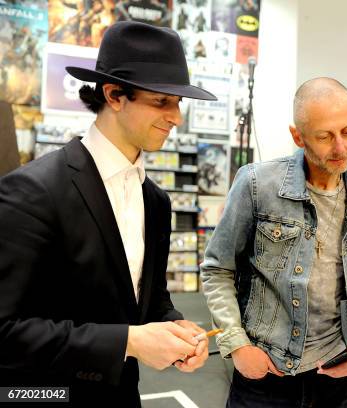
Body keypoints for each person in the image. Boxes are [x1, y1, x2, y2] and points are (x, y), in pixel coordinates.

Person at [0, 21, 217, 406]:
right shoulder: (34, 191)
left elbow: (148, 300)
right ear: (115, 95)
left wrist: (174, 328)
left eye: (178, 103)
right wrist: (130, 341)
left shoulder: (156, 201)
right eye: (162, 101)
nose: (176, 117)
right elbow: (6, 331)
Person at [201, 77, 347, 408]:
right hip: (266, 378)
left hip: (335, 379)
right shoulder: (257, 185)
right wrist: (237, 344)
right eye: (324, 136)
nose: (340, 147)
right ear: (297, 136)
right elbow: (218, 269)